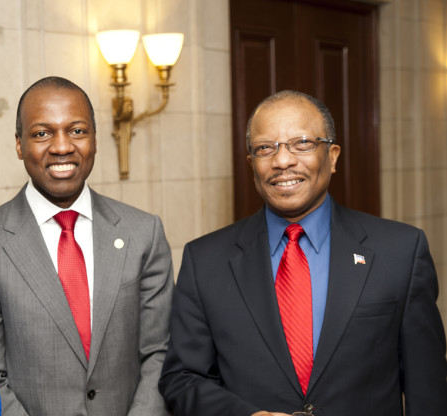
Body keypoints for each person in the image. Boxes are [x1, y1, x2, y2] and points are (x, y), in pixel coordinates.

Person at [159, 90, 447, 416]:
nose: (282, 161)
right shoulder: (205, 261)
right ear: (251, 163)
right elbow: (182, 379)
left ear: (333, 156)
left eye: (302, 144)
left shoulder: (400, 252)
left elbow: (428, 389)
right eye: (265, 148)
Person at [0, 76, 174, 416]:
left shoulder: (144, 233)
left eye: (77, 131)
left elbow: (160, 352)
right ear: (19, 145)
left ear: (95, 139)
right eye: (42, 133)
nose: (62, 146)